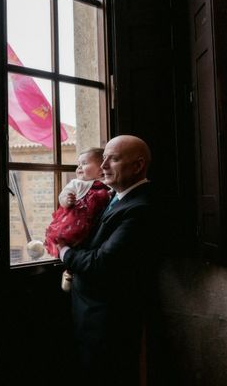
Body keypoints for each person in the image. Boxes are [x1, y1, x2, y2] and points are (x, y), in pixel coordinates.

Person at [55, 135, 155, 385]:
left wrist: (65, 251)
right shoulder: (114, 197)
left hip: (109, 324)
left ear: (138, 166)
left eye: (114, 159)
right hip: (91, 319)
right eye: (104, 158)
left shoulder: (140, 207)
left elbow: (102, 262)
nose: (103, 166)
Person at [44, 148, 110, 291]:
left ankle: (71, 271)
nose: (79, 167)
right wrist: (67, 200)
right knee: (70, 244)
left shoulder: (106, 185)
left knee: (84, 247)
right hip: (73, 224)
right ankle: (68, 271)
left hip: (90, 227)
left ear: (101, 169)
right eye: (78, 164)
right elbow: (62, 196)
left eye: (85, 163)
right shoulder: (77, 183)